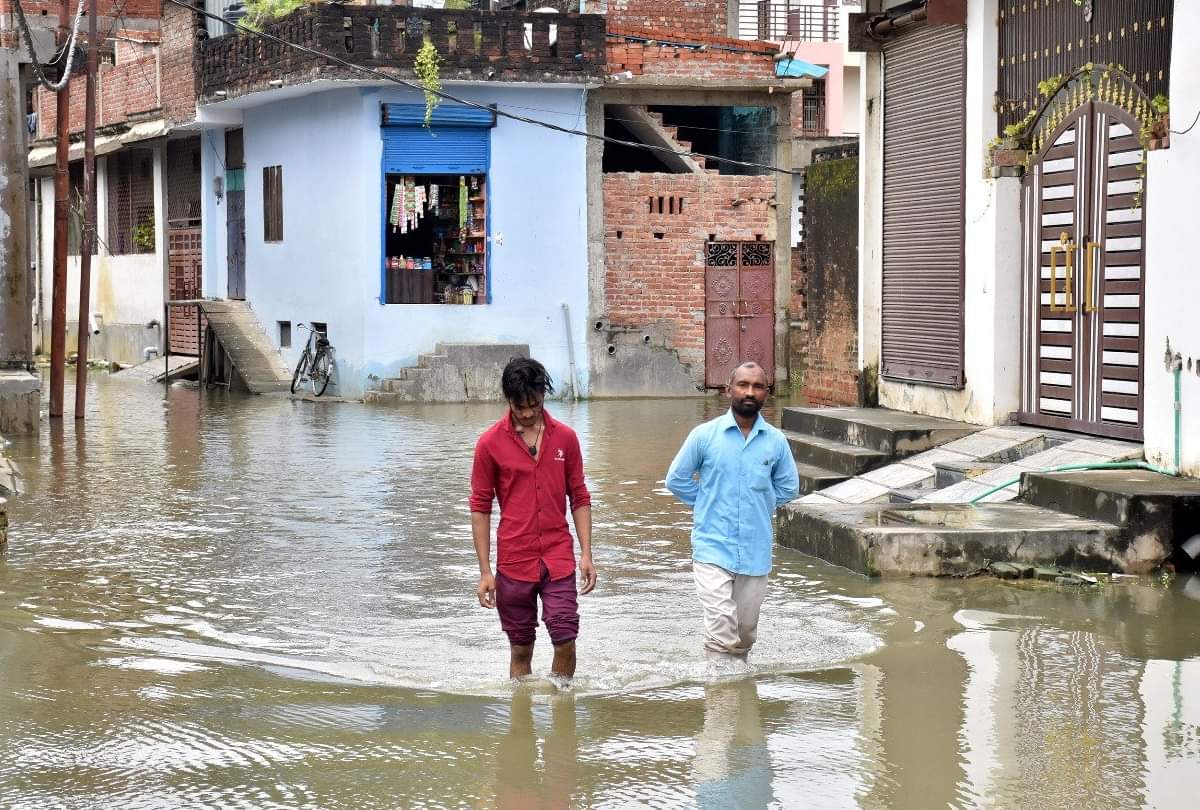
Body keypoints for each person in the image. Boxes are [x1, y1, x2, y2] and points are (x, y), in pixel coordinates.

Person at [470, 357, 597, 680]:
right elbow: (480, 507)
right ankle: (520, 724)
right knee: (521, 649)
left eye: (534, 404)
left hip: (557, 556)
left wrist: (586, 554)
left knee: (565, 637)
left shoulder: (565, 439)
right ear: (507, 400)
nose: (527, 413)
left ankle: (562, 718)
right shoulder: (489, 444)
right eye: (519, 406)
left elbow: (579, 496)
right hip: (514, 560)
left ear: (543, 395)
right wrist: (485, 571)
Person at [665, 361, 799, 663]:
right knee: (722, 626)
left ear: (767, 393)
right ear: (728, 390)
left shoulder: (776, 442)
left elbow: (788, 488)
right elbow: (676, 479)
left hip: (756, 550)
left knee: (745, 632)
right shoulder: (704, 436)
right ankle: (721, 699)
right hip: (712, 546)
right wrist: (706, 502)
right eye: (743, 385)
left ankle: (740, 694)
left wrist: (757, 505)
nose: (749, 392)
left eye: (757, 386)